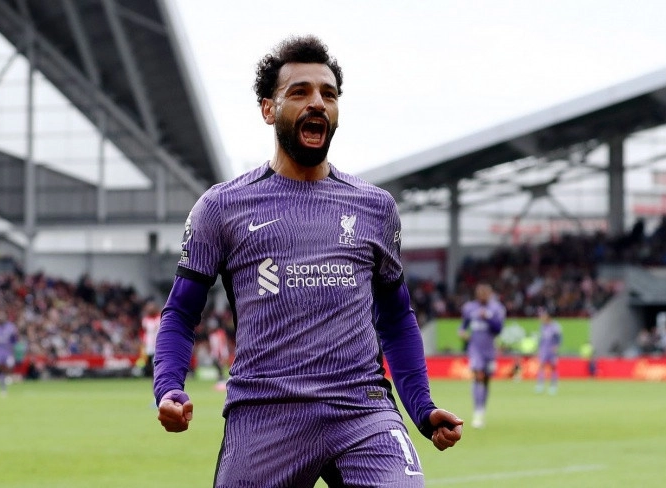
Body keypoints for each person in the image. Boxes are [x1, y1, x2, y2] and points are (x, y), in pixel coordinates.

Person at [154, 35, 462, 487]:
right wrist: (168, 388)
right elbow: (181, 312)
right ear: (268, 109)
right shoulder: (221, 208)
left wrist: (421, 406)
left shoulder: (375, 208)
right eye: (300, 91)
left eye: (328, 94)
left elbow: (396, 318)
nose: (317, 102)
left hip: (362, 411)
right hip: (265, 415)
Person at [458, 283, 505, 428]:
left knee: (486, 380)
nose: (483, 296)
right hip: (475, 348)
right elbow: (463, 326)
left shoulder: (497, 308)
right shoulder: (470, 308)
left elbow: (499, 329)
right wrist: (462, 332)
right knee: (478, 375)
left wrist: (488, 318)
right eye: (480, 293)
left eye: (485, 293)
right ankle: (477, 412)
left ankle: (481, 409)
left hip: (489, 349)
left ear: (490, 294)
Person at [0, 310, 18, 396]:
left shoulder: (10, 327)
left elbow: (14, 340)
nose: (1, 319)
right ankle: (3, 386)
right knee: (0, 368)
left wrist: (13, 349)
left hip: (8, 351)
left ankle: (8, 377)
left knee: (10, 365)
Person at [535, 307, 562, 394]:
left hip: (552, 350)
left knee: (553, 367)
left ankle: (553, 386)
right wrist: (539, 348)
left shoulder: (555, 326)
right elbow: (541, 339)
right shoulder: (542, 327)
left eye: (544, 316)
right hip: (544, 349)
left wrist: (556, 346)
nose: (542, 318)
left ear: (548, 317)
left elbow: (559, 338)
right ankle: (540, 385)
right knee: (541, 366)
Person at [141, 301, 162, 378]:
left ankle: (159, 373)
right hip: (149, 342)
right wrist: (143, 340)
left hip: (159, 341)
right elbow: (143, 331)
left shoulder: (160, 317)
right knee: (149, 358)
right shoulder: (145, 319)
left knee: (158, 357)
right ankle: (149, 374)